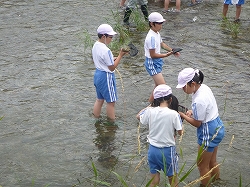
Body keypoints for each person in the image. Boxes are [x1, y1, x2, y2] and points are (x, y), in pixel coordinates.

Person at [176, 68, 225, 187]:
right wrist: (193, 112)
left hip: (208, 130)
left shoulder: (199, 100)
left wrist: (182, 115)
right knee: (212, 161)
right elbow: (206, 109)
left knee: (202, 165)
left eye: (183, 86)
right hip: (217, 125)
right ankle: (217, 182)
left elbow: (197, 124)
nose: (182, 89)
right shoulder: (204, 88)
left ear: (192, 84)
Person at [136, 84, 183, 187]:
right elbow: (180, 132)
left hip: (152, 150)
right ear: (170, 99)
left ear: (156, 99)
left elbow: (138, 116)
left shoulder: (150, 111)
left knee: (154, 181)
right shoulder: (174, 114)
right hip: (167, 151)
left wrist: (150, 106)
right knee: (173, 180)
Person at [92, 24, 128, 121]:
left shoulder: (96, 45)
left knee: (99, 100)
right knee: (111, 102)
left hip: (97, 75)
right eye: (110, 37)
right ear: (104, 36)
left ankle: (95, 119)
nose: (111, 39)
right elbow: (112, 68)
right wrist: (120, 56)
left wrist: (114, 58)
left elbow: (102, 60)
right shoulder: (106, 50)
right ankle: (111, 124)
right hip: (106, 76)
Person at [144, 12, 180, 103]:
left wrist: (172, 50)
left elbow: (162, 44)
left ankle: (150, 103)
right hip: (152, 62)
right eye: (159, 23)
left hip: (157, 61)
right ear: (152, 24)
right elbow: (152, 55)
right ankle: (156, 106)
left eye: (162, 23)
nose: (161, 25)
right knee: (163, 86)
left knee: (157, 86)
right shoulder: (151, 37)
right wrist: (166, 55)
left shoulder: (156, 33)